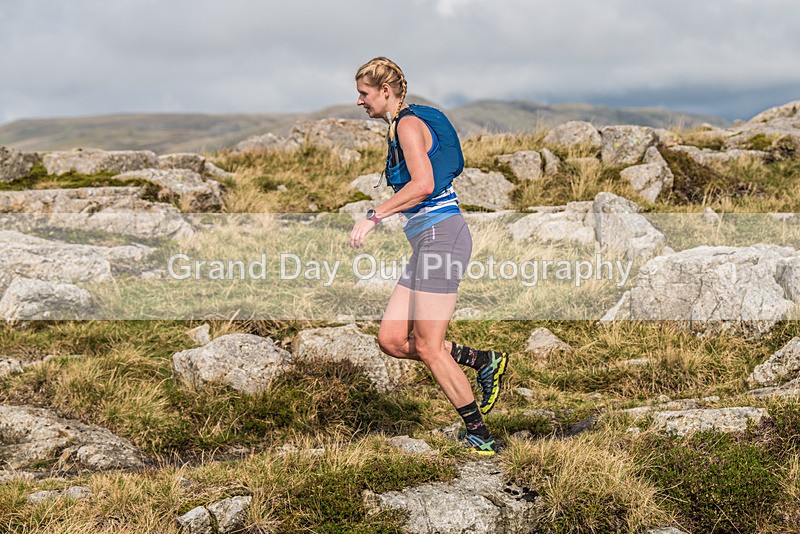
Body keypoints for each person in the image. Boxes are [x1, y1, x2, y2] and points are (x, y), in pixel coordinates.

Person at [349, 57, 508, 456]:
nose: (360, 101)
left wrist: (374, 216)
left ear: (385, 91)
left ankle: (479, 434)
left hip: (442, 237)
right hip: (427, 241)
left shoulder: (407, 125)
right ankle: (482, 360)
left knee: (429, 346)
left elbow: (423, 184)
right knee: (391, 339)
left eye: (364, 94)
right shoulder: (399, 126)